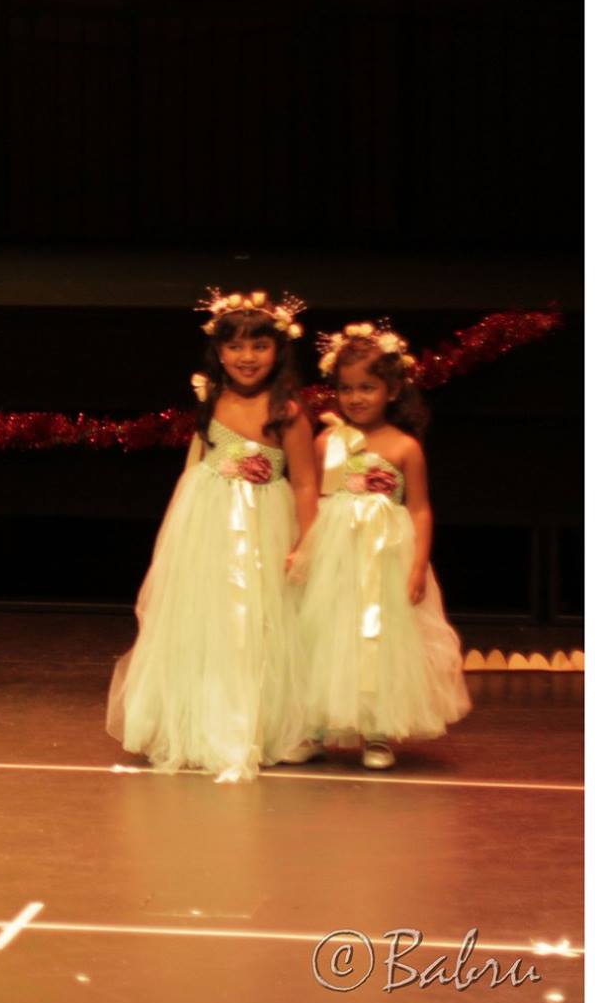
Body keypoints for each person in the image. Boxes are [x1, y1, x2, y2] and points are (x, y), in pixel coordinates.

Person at [107, 290, 319, 782]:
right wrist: (180, 531)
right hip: (208, 521)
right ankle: (198, 720)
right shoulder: (212, 400)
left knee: (259, 620)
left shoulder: (287, 411)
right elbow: (197, 463)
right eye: (236, 346)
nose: (247, 357)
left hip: (263, 524)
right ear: (219, 351)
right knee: (206, 620)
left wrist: (306, 542)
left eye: (259, 345)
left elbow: (306, 483)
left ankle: (265, 724)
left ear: (279, 350)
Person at [292, 323, 471, 769]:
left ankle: (376, 732)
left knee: (377, 637)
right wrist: (304, 548)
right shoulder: (327, 440)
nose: (355, 398)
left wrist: (417, 566)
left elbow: (420, 509)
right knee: (324, 636)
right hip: (335, 555)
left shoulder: (404, 447)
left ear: (391, 390)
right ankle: (316, 728)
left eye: (367, 388)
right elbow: (311, 497)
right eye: (346, 388)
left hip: (384, 555)